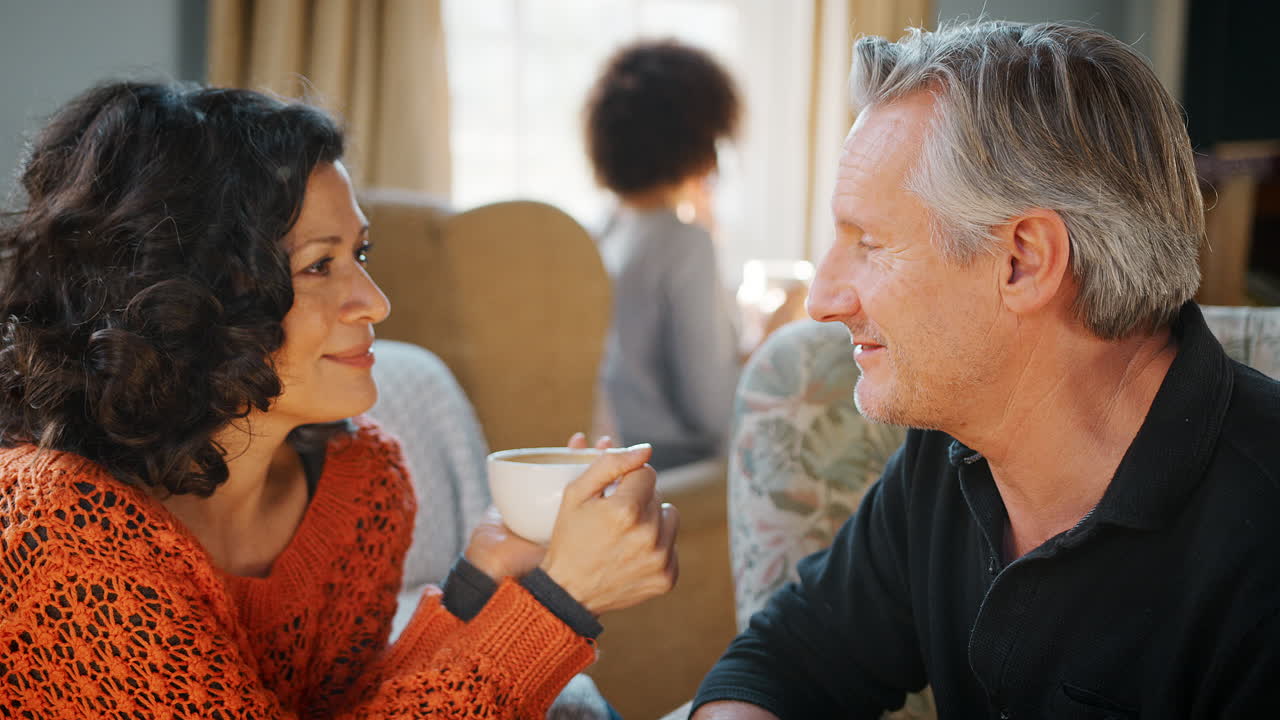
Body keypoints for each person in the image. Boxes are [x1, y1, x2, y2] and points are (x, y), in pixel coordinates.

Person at [0, 81, 678, 718]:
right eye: (320, 265)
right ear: (190, 296)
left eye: (362, 253)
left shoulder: (361, 487)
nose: (376, 302)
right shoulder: (58, 529)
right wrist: (557, 606)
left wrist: (482, 587)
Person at [693, 21, 1280, 719]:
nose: (822, 300)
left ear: (1023, 261)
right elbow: (784, 662)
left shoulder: (1262, 549)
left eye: (871, 244)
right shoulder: (949, 454)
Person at [584, 39, 743, 471]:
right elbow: (712, 413)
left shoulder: (601, 232)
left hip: (610, 446)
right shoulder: (684, 243)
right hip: (674, 466)